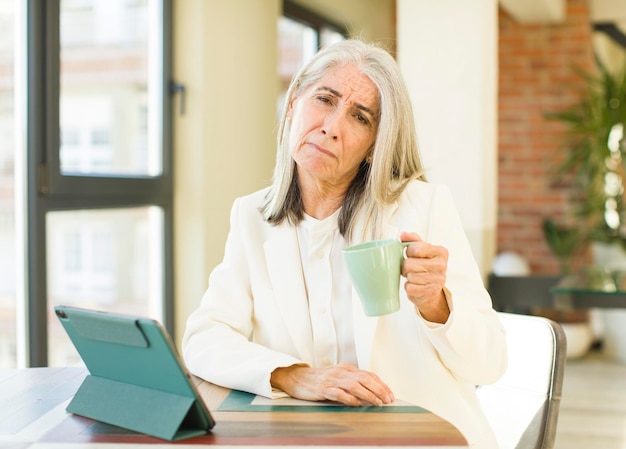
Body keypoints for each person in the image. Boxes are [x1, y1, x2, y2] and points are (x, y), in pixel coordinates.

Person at [182, 39, 507, 448]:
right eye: (324, 99)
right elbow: (203, 339)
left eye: (359, 117)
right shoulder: (252, 217)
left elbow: (490, 362)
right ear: (293, 105)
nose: (331, 127)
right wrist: (295, 375)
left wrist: (436, 305)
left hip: (422, 438)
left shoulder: (422, 208)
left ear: (375, 144)